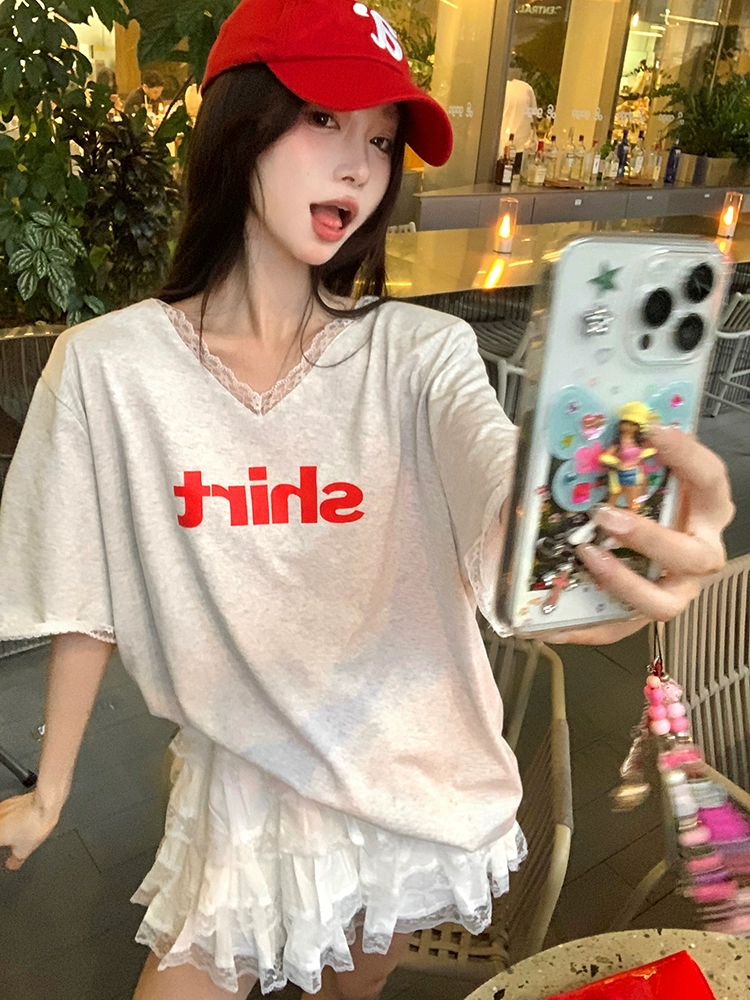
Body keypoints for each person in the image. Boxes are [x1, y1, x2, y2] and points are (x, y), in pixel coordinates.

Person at [0, 1, 734, 998]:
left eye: (382, 141)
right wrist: (51, 790)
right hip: (244, 780)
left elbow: (499, 498)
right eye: (324, 120)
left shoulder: (422, 355)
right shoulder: (106, 369)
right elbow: (81, 591)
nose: (360, 166)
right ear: (238, 125)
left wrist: (602, 569)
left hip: (401, 778)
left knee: (351, 989)